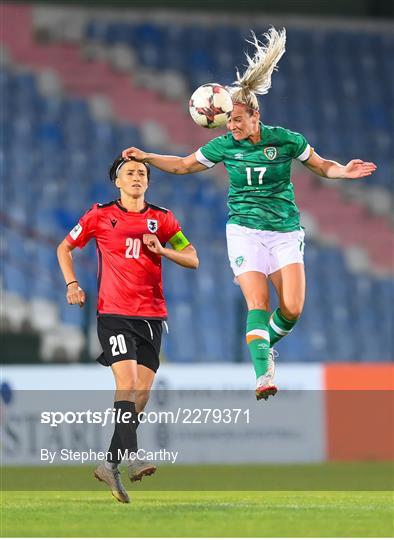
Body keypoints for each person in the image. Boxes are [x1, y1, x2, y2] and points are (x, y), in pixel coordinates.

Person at [121, 28, 377, 401]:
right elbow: (182, 165)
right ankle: (262, 373)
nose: (231, 126)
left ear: (254, 114)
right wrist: (148, 156)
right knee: (258, 303)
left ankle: (263, 345)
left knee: (292, 309)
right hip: (244, 230)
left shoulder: (287, 140)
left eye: (237, 120)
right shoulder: (224, 145)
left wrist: (344, 171)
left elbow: (322, 166)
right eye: (227, 121)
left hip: (286, 230)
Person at [57, 155, 199, 503]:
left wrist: (163, 250)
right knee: (128, 383)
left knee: (142, 394)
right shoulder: (100, 215)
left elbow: (193, 257)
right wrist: (72, 283)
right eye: (130, 173)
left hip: (152, 316)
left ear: (148, 182)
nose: (137, 177)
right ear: (117, 182)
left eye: (142, 173)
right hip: (114, 313)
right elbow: (65, 247)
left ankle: (109, 463)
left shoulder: (162, 219)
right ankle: (133, 455)